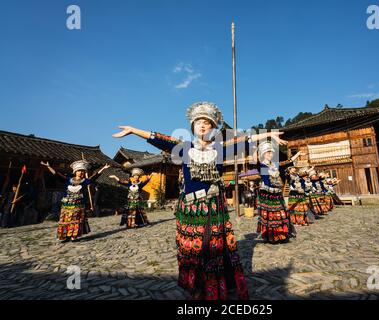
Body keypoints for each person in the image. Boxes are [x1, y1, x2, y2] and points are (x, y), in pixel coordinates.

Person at [112, 101, 286, 300]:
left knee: (213, 249)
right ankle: (196, 285)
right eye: (198, 123)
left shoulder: (221, 149)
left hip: (213, 207)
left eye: (207, 123)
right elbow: (158, 138)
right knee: (192, 249)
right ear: (193, 127)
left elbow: (245, 140)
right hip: (191, 208)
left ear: (213, 128)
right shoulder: (183, 148)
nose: (202, 125)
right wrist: (134, 130)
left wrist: (268, 134)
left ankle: (215, 287)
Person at [41, 160, 110, 242]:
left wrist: (103, 168)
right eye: (79, 171)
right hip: (67, 204)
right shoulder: (68, 180)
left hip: (78, 205)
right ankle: (65, 235)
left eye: (83, 171)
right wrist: (48, 166)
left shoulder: (85, 181)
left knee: (76, 220)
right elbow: (57, 175)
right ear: (75, 172)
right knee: (66, 220)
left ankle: (74, 236)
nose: (81, 173)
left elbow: (94, 177)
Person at [255, 141, 301, 244]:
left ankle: (281, 235)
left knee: (281, 214)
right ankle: (272, 236)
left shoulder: (275, 165)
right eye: (268, 152)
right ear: (263, 153)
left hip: (277, 193)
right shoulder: (262, 165)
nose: (270, 155)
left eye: (271, 152)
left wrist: (297, 155)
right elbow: (265, 179)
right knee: (270, 215)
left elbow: (288, 162)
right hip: (267, 194)